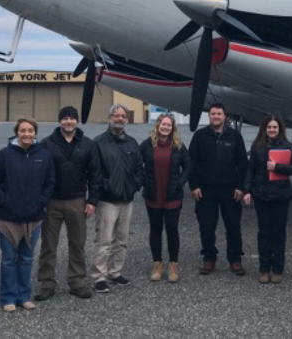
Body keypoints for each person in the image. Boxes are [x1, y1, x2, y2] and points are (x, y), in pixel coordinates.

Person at [0, 117, 55, 312]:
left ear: (35, 133)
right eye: (23, 130)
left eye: (30, 130)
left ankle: (23, 295)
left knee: (26, 258)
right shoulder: (5, 154)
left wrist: (41, 201)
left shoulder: (44, 155)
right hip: (8, 218)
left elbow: (50, 182)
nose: (26, 134)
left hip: (34, 217)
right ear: (17, 132)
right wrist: (4, 200)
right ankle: (8, 297)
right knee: (9, 259)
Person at [35, 106, 101, 301]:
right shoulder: (47, 144)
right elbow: (40, 174)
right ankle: (47, 283)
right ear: (59, 121)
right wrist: (42, 200)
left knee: (78, 243)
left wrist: (92, 200)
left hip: (77, 201)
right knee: (48, 245)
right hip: (52, 202)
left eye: (72, 118)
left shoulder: (88, 145)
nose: (69, 122)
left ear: (77, 121)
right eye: (65, 118)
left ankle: (77, 281)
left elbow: (95, 175)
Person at [189, 103, 248, 275]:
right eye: (213, 114)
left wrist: (240, 186)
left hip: (230, 189)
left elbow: (243, 163)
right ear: (209, 117)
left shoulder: (235, 136)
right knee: (206, 226)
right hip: (205, 189)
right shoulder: (200, 136)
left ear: (225, 116)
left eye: (219, 114)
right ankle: (209, 258)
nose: (216, 116)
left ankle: (235, 259)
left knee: (233, 226)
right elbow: (191, 163)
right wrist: (194, 186)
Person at [91, 104, 143, 293]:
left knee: (121, 240)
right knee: (104, 240)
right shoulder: (99, 142)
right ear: (109, 118)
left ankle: (115, 271)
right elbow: (95, 172)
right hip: (108, 200)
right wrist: (106, 187)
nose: (120, 119)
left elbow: (139, 168)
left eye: (123, 116)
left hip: (127, 199)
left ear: (127, 119)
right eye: (116, 115)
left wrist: (135, 184)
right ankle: (99, 276)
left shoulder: (132, 143)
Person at [243, 115, 292, 284]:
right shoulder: (257, 146)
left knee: (279, 234)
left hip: (281, 196)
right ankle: (263, 268)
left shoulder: (288, 146)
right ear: (264, 129)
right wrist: (247, 191)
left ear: (280, 129)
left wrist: (277, 167)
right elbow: (250, 170)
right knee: (264, 233)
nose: (272, 130)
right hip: (262, 196)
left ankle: (278, 269)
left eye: (275, 127)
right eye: (269, 127)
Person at [140, 113, 191, 283]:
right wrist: (144, 182)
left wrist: (180, 183)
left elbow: (188, 166)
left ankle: (173, 265)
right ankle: (157, 264)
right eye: (163, 124)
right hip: (153, 195)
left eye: (169, 125)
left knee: (172, 230)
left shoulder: (178, 145)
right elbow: (137, 166)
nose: (166, 127)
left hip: (172, 196)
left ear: (173, 128)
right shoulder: (146, 145)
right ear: (158, 125)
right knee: (155, 230)